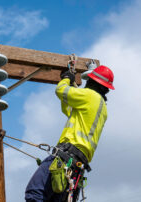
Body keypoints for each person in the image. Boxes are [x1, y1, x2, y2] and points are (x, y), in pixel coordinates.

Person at [25, 65, 115, 202]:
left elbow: (61, 91)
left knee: (35, 193)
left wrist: (66, 79)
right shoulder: (102, 108)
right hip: (76, 166)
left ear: (92, 81)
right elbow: (69, 109)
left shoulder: (90, 96)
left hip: (66, 157)